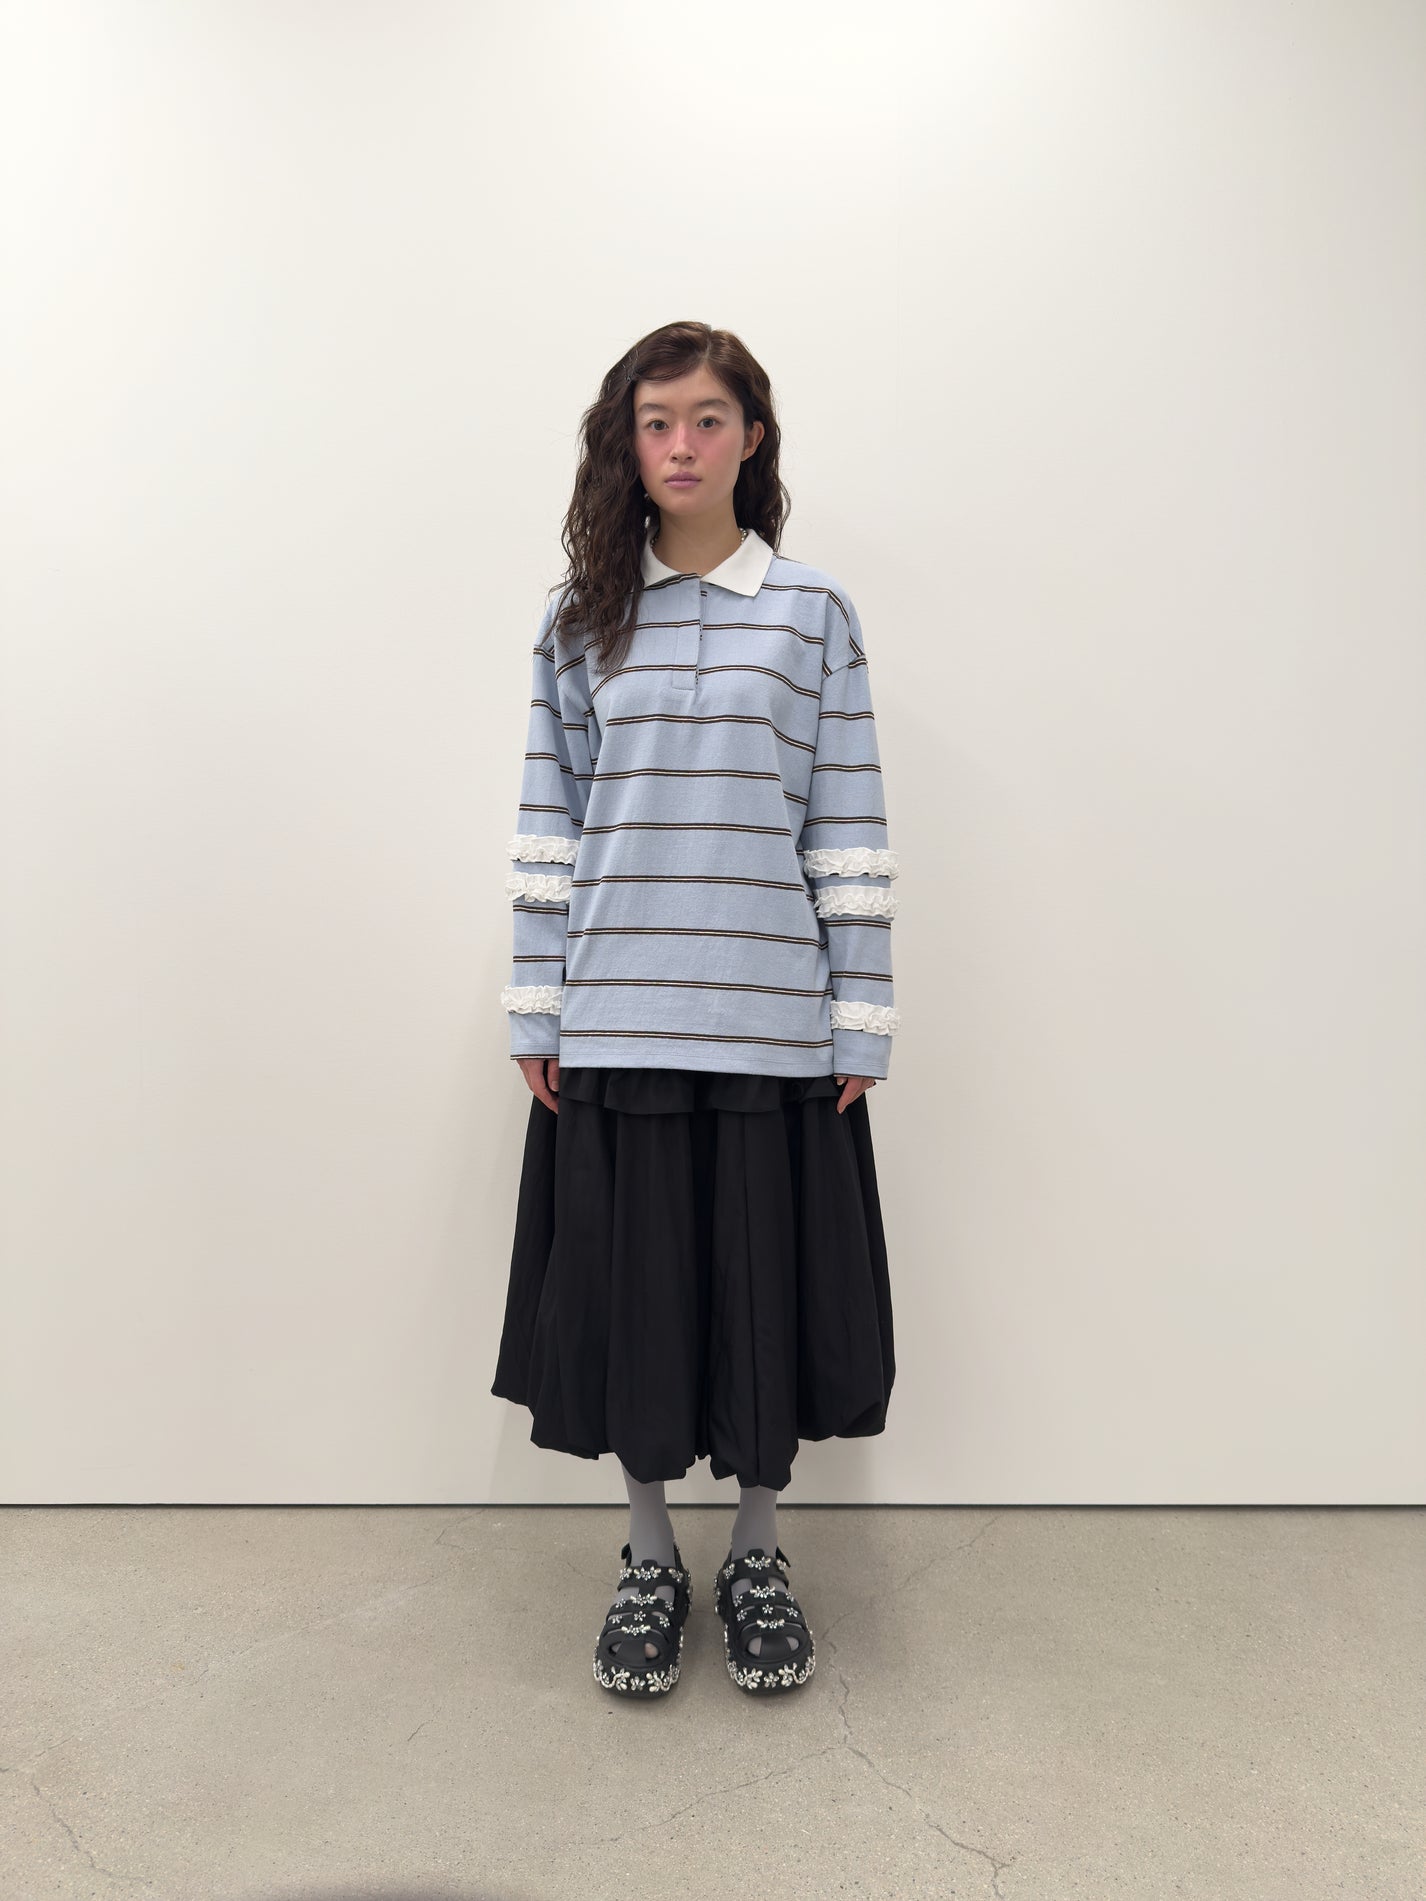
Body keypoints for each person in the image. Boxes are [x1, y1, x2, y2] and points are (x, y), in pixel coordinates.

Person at [490, 321, 899, 1699]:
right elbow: (548, 824)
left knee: (762, 1305)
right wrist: (537, 1009)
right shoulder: (580, 617)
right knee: (640, 1310)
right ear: (628, 441)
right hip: (617, 1020)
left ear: (750, 437)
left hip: (773, 1026)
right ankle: (652, 1553)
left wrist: (860, 1016)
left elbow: (846, 820)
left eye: (707, 418)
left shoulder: (813, 614)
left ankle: (759, 1554)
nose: (681, 445)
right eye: (656, 421)